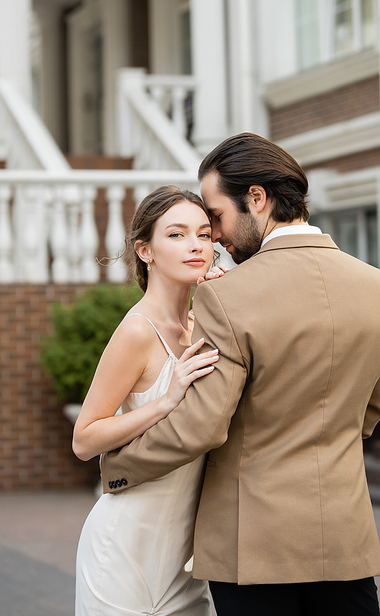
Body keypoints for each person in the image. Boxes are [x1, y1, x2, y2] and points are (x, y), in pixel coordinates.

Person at [102, 133, 380, 616]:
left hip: (251, 545)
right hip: (345, 539)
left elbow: (202, 426)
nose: (216, 237)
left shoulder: (229, 296)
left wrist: (118, 470)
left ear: (256, 198)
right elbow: (372, 405)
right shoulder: (374, 286)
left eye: (215, 217)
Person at [73, 185, 226, 616]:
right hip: (123, 551)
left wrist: (226, 303)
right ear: (146, 251)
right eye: (176, 235)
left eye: (204, 234)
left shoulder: (204, 322)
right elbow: (84, 440)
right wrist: (165, 400)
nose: (195, 245)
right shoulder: (138, 331)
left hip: (186, 560)